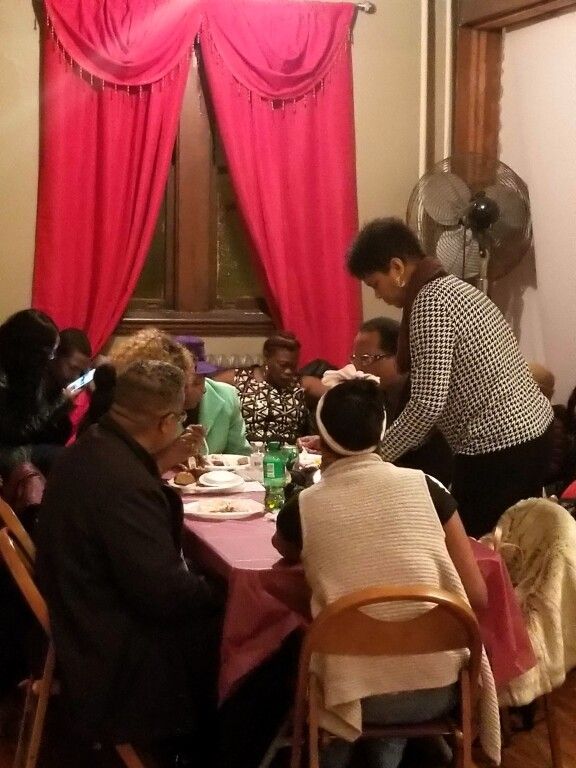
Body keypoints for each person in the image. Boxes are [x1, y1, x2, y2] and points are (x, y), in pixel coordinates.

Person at [272, 376, 499, 768]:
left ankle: (351, 749)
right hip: (440, 687)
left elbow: (283, 550)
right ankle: (388, 752)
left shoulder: (304, 506)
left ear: (320, 441)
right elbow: (476, 597)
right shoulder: (427, 488)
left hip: (348, 692)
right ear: (382, 433)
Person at [36, 361, 222, 765]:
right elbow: (163, 593)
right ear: (166, 420)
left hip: (80, 610)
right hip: (108, 648)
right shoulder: (125, 485)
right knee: (248, 642)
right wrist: (220, 591)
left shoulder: (94, 446)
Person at [347, 218, 554, 537]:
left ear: (397, 268)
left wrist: (374, 458)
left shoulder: (430, 303)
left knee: (473, 551)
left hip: (500, 446)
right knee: (508, 550)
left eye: (375, 283)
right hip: (531, 434)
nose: (377, 295)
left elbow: (427, 405)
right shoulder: (449, 288)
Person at [107, 328, 250, 457]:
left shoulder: (225, 395)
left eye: (200, 380)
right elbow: (138, 470)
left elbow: (241, 453)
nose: (202, 389)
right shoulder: (141, 414)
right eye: (191, 381)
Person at [352, 317, 453, 486]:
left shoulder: (423, 394)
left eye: (367, 359)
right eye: (355, 358)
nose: (358, 368)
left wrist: (369, 460)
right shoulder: (376, 393)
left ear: (399, 356)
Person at [0, 309, 72, 477]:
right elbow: (18, 432)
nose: (52, 358)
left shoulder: (18, 367)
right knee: (62, 458)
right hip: (5, 447)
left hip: (12, 440)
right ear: (32, 351)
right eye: (51, 353)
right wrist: (59, 403)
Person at [215, 332, 309, 445]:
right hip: (245, 453)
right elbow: (204, 388)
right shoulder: (239, 379)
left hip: (289, 453)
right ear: (266, 357)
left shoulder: (299, 384)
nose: (288, 371)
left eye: (293, 366)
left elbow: (333, 393)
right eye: (283, 365)